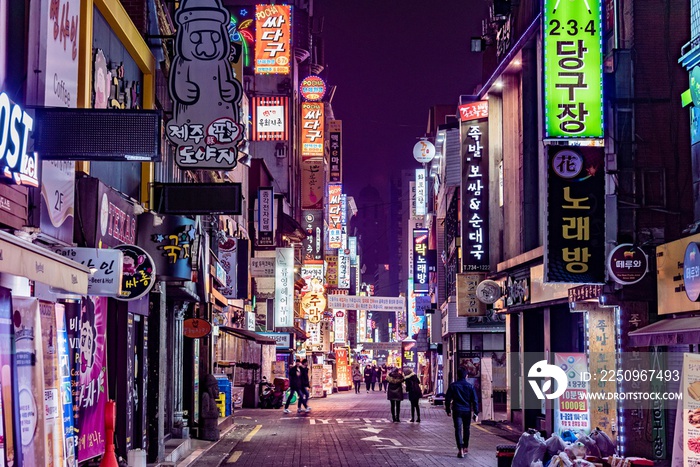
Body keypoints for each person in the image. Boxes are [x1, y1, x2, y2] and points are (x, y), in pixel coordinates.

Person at [445, 366, 480, 458]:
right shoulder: (470, 386)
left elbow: (447, 399)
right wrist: (476, 413)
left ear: (458, 375)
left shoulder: (453, 386)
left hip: (457, 410)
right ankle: (465, 447)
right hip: (467, 411)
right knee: (466, 429)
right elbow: (475, 400)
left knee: (458, 429)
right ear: (466, 376)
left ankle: (460, 449)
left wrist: (448, 410)